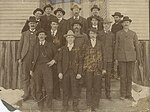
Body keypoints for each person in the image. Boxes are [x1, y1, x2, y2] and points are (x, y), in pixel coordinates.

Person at [30, 29, 57, 111]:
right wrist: (31, 69)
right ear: (38, 36)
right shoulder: (34, 46)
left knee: (49, 87)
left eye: (43, 34)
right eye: (40, 35)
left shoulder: (50, 45)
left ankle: (49, 106)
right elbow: (31, 58)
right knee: (38, 87)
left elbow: (57, 54)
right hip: (37, 68)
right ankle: (40, 106)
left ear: (45, 36)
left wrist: (53, 60)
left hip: (47, 67)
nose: (41, 36)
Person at [114, 16, 140, 101]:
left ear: (129, 24)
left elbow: (137, 46)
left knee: (129, 77)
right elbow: (116, 46)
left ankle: (129, 94)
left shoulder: (133, 33)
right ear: (122, 24)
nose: (126, 24)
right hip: (121, 58)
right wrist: (116, 58)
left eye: (127, 22)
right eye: (124, 22)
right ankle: (122, 94)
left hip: (131, 58)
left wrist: (137, 58)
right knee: (122, 76)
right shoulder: (118, 33)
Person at [58, 30, 82, 112]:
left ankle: (75, 106)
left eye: (72, 37)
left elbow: (80, 61)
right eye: (69, 37)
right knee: (65, 89)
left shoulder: (77, 49)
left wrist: (79, 72)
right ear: (66, 39)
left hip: (74, 72)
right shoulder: (63, 49)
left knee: (75, 89)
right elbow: (59, 61)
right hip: (65, 72)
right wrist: (60, 72)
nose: (70, 39)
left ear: (74, 39)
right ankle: (65, 106)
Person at [83, 28, 106, 112]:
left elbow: (104, 56)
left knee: (97, 87)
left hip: (98, 68)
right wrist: (84, 67)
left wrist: (104, 68)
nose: (92, 35)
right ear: (89, 35)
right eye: (90, 33)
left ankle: (95, 105)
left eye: (94, 33)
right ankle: (89, 105)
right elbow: (82, 56)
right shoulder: (85, 43)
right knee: (89, 87)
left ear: (96, 35)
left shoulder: (100, 43)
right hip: (88, 68)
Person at [17, 16, 38, 101]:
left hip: (35, 58)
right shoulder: (24, 34)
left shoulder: (38, 33)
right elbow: (20, 46)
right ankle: (26, 94)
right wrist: (19, 57)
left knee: (33, 77)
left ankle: (33, 94)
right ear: (28, 24)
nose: (32, 24)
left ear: (36, 24)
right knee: (25, 76)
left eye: (34, 23)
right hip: (25, 58)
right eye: (31, 23)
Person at [99, 18, 115, 99]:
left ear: (110, 25)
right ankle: (98, 94)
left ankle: (107, 93)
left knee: (108, 77)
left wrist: (113, 58)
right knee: (98, 76)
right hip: (100, 58)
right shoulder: (99, 34)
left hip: (109, 59)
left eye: (108, 24)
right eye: (105, 24)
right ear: (102, 25)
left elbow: (113, 47)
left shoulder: (112, 35)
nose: (106, 25)